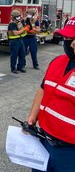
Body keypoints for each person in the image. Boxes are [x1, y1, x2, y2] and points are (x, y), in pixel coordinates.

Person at [25, 17, 75, 172]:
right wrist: (33, 115)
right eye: (68, 38)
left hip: (70, 152)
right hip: (44, 142)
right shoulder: (58, 61)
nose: (71, 43)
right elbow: (43, 88)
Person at [7, 9, 28, 74]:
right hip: (14, 41)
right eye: (18, 16)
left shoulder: (19, 22)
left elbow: (22, 30)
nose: (20, 17)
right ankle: (13, 68)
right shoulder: (12, 24)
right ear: (14, 17)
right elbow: (15, 33)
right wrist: (24, 29)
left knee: (22, 54)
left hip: (20, 40)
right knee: (14, 55)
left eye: (20, 16)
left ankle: (20, 67)